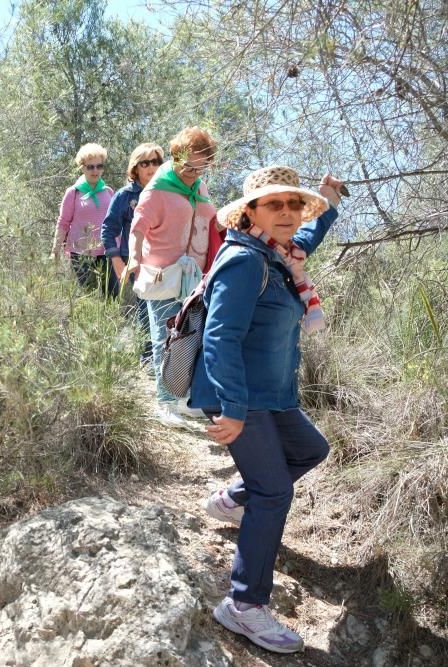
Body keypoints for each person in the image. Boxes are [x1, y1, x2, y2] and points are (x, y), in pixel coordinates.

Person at [190, 166, 345, 654]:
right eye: (274, 204)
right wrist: (232, 409)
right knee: (274, 493)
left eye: (293, 205)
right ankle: (243, 605)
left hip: (272, 395)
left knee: (311, 449)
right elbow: (220, 338)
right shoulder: (244, 260)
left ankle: (233, 499)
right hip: (240, 398)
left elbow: (306, 235)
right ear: (250, 211)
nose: (286, 213)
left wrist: (326, 202)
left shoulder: (280, 256)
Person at [126, 127, 218, 426]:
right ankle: (165, 402)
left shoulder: (200, 187)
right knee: (165, 337)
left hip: (197, 276)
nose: (193, 173)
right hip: (164, 275)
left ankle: (185, 398)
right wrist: (134, 257)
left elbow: (211, 222)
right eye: (188, 166)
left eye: (200, 167)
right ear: (176, 156)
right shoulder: (158, 188)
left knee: (193, 337)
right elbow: (137, 228)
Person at [101, 143, 165, 363]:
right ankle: (148, 359)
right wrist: (117, 260)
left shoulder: (167, 192)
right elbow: (108, 230)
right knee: (145, 309)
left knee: (167, 309)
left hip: (166, 260)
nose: (151, 167)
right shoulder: (124, 196)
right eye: (145, 163)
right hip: (137, 261)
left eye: (156, 162)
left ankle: (168, 361)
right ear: (135, 167)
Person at [51, 143, 116, 296]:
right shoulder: (73, 193)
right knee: (89, 295)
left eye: (99, 166)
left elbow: (114, 223)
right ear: (82, 167)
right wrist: (55, 250)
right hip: (81, 253)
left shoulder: (108, 192)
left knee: (112, 295)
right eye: (90, 167)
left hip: (106, 251)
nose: (95, 171)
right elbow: (63, 222)